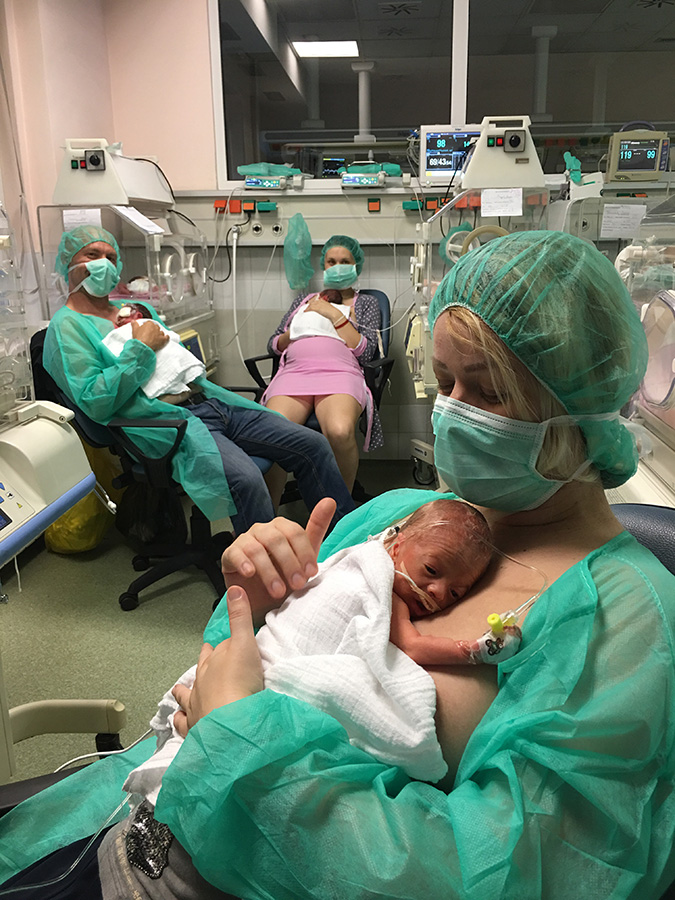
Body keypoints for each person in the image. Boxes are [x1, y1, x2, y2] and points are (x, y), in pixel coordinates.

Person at [3, 231, 675, 899]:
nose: (451, 413)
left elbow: (505, 874)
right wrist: (254, 598)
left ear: (581, 402)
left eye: (488, 391)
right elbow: (252, 652)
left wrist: (237, 736)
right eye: (445, 382)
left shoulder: (623, 623)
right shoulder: (403, 512)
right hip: (131, 822)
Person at [120, 498, 500, 809]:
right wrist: (473, 650)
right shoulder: (372, 564)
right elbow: (413, 645)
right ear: (396, 545)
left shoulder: (393, 595)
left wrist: (228, 720)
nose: (437, 593)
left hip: (258, 734)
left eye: (455, 593)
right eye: (431, 570)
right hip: (263, 661)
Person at [42, 225, 355, 536]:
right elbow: (96, 401)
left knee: (312, 445)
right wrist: (140, 349)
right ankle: (266, 563)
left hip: (210, 402)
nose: (104, 264)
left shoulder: (139, 309)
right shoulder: (67, 327)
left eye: (111, 258)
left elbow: (173, 360)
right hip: (165, 423)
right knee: (246, 479)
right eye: (92, 255)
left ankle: (344, 539)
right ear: (68, 263)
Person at [262, 234, 384, 492]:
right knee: (273, 434)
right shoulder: (303, 301)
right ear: (324, 265)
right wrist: (298, 329)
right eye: (331, 261)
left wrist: (333, 315)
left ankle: (341, 509)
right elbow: (273, 344)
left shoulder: (367, 303)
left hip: (340, 374)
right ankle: (268, 512)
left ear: (356, 265)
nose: (337, 266)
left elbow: (366, 353)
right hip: (295, 374)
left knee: (339, 431)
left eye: (345, 261)